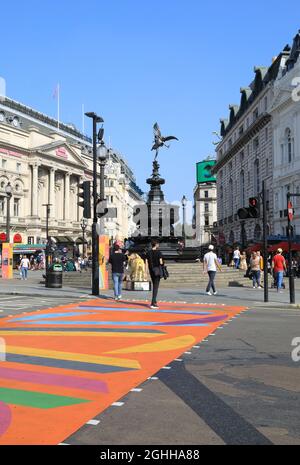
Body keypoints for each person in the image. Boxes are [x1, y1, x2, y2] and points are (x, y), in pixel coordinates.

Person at [146, 240, 164, 309]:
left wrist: (146, 271)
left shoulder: (148, 252)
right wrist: (162, 266)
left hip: (151, 270)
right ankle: (153, 303)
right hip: (157, 270)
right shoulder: (158, 252)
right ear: (156, 245)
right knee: (156, 287)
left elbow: (146, 262)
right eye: (158, 244)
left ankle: (154, 301)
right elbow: (161, 262)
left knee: (154, 285)